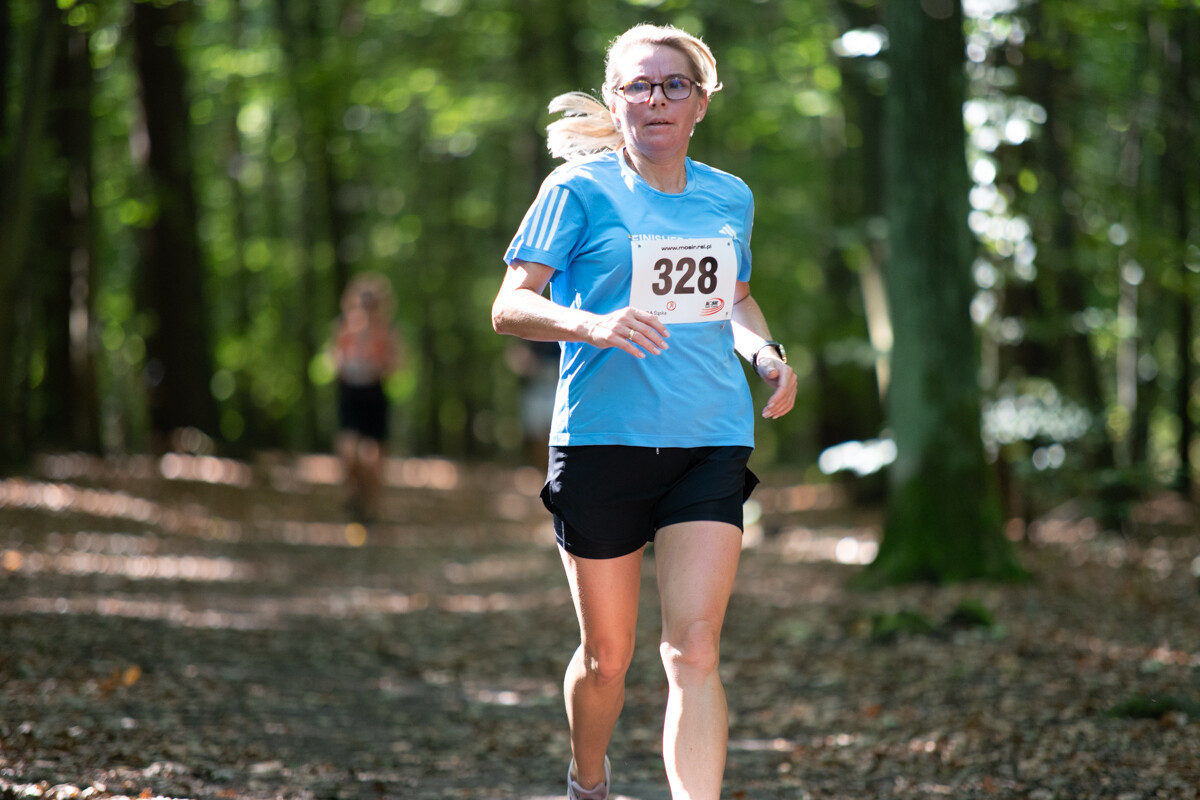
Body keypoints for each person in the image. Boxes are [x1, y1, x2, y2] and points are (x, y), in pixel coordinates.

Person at [490, 23, 796, 800]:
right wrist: (593, 323)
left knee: (693, 650)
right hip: (603, 442)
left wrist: (764, 353)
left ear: (701, 103)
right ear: (615, 100)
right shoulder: (577, 191)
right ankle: (587, 781)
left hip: (709, 441)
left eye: (674, 85)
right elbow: (510, 307)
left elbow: (735, 299)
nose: (656, 98)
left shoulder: (730, 195)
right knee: (609, 659)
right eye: (639, 85)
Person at [332, 272, 401, 522]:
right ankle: (352, 495)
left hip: (374, 395)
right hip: (351, 394)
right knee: (348, 451)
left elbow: (396, 365)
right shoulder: (344, 329)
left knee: (373, 459)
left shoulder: (387, 332)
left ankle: (372, 508)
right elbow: (334, 360)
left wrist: (379, 365)